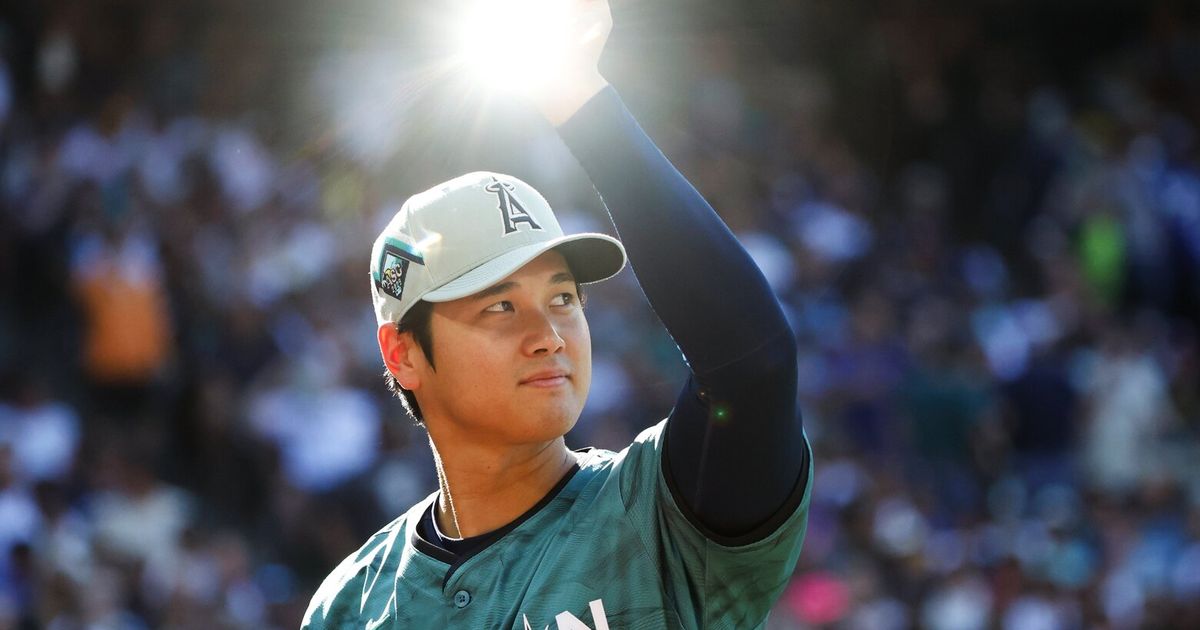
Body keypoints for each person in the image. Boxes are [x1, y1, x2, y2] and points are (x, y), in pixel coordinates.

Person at [302, 1, 811, 627]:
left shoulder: (658, 511)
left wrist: (582, 105)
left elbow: (753, 364)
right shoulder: (349, 607)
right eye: (500, 306)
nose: (548, 336)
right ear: (402, 354)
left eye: (563, 298)